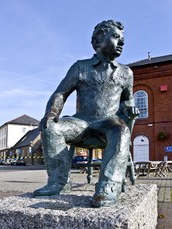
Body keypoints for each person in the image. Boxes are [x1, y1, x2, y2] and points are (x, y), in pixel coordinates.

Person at [33, 19, 139, 207]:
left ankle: (108, 187)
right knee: (51, 128)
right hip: (81, 123)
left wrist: (129, 107)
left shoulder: (126, 73)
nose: (122, 42)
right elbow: (60, 93)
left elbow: (127, 100)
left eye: (122, 38)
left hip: (109, 123)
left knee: (122, 131)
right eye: (116, 37)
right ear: (98, 41)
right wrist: (51, 112)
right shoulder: (80, 67)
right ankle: (58, 182)